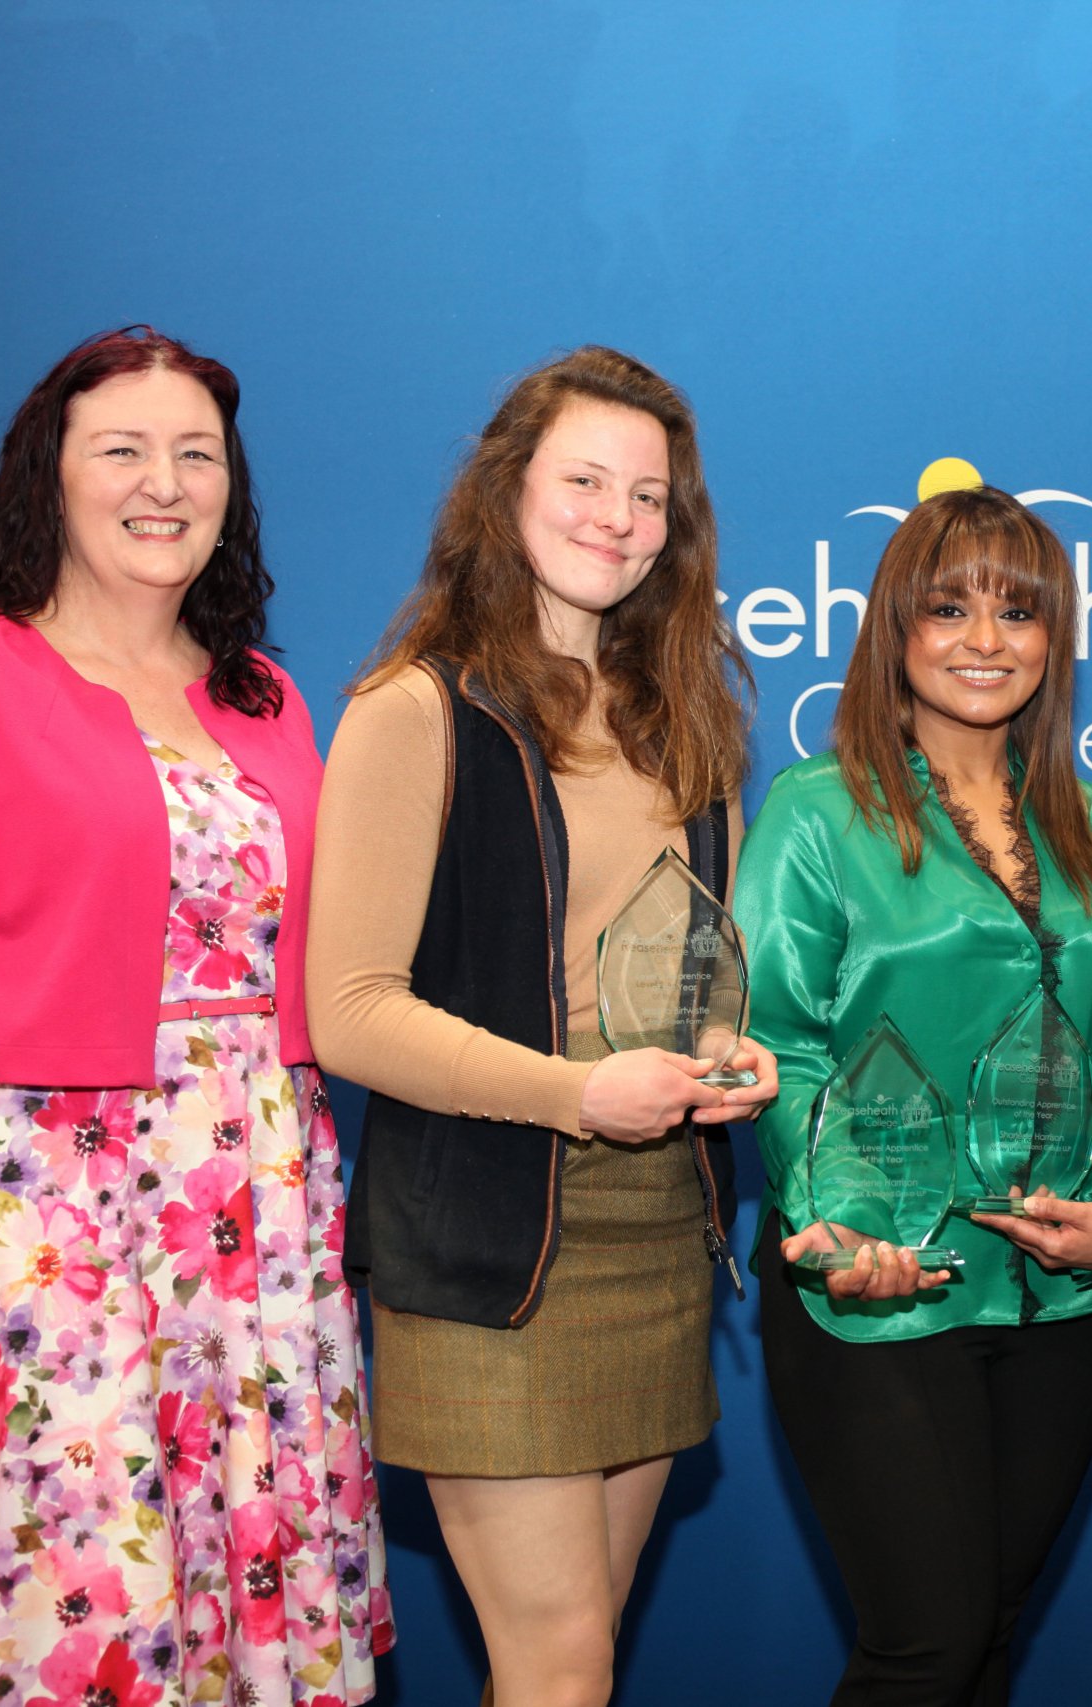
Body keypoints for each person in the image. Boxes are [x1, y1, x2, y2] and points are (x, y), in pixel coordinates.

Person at [0, 326, 392, 1704]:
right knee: (46, 1593)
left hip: (247, 1214)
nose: (165, 482)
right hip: (22, 1218)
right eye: (124, 449)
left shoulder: (264, 697)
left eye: (197, 454)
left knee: (210, 1584)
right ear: (53, 472)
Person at [307, 345, 775, 1707]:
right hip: (491, 1246)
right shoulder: (415, 710)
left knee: (577, 1662)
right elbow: (351, 1013)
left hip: (655, 1230)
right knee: (559, 1665)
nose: (616, 519)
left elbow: (689, 972)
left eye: (648, 495)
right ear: (507, 489)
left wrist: (727, 1053)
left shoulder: (686, 719)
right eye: (584, 480)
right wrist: (579, 1095)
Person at [734, 484, 1092, 1707]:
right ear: (896, 629)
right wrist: (841, 1228)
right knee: (924, 1647)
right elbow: (778, 1044)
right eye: (948, 609)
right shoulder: (817, 814)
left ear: (1054, 639)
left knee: (985, 1637)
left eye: (1018, 614)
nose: (986, 640)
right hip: (878, 1291)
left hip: (1062, 1302)